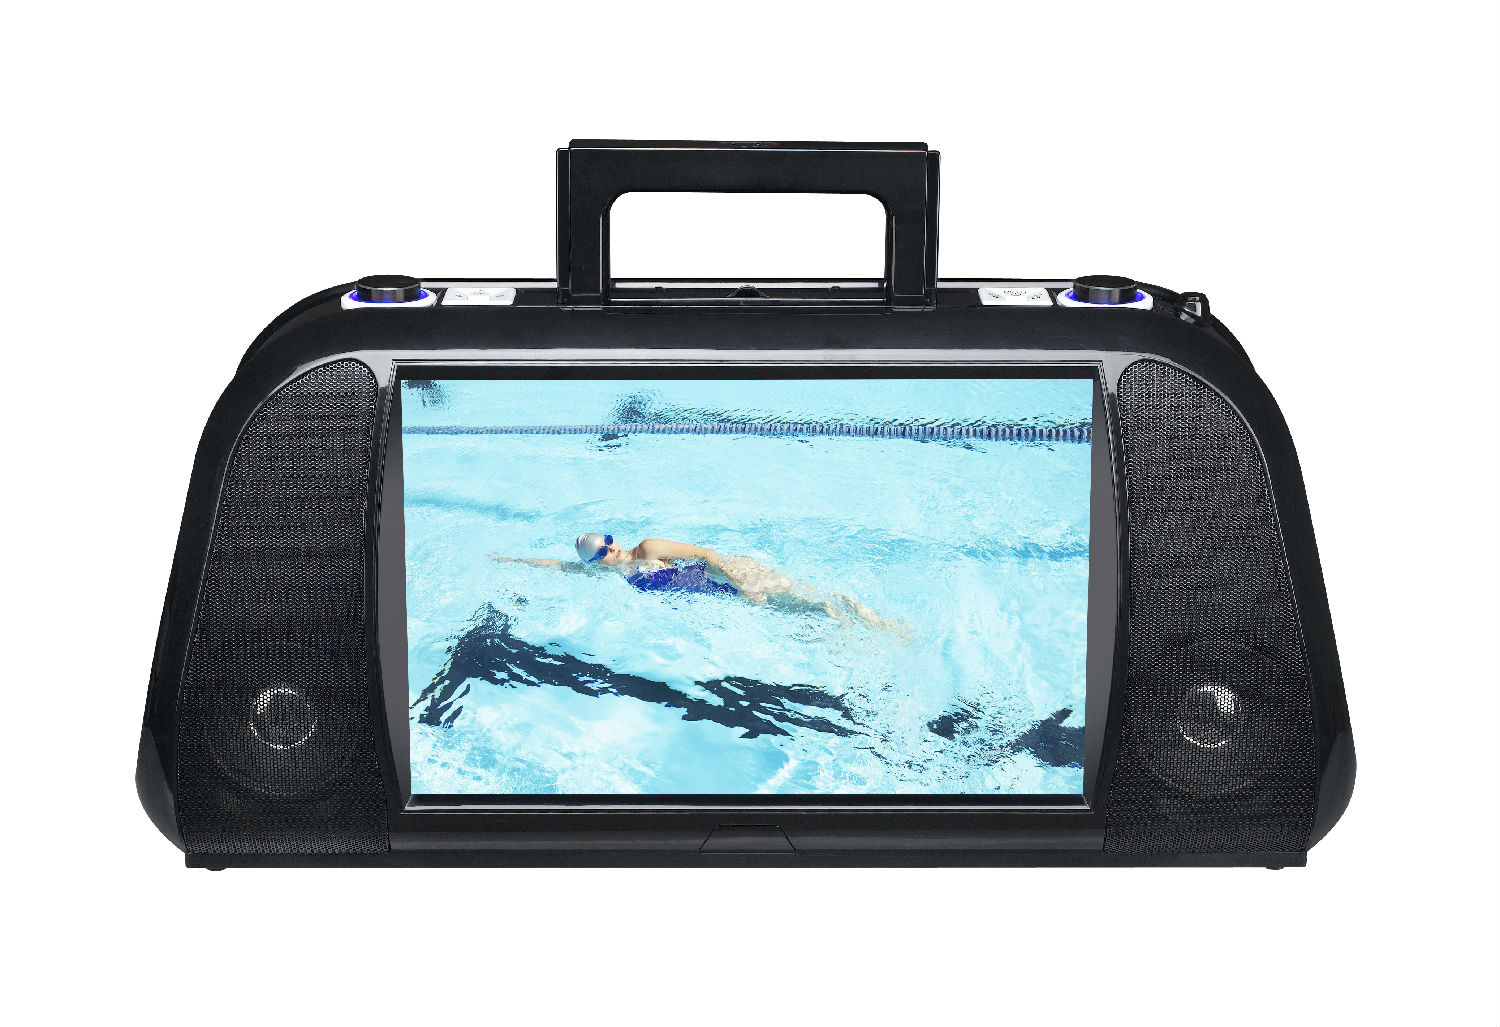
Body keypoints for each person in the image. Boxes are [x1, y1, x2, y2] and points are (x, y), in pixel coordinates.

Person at [493, 532, 906, 635]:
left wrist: (744, 585)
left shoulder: (647, 548)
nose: (611, 550)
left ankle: (885, 625)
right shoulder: (619, 574)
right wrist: (508, 560)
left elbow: (707, 554)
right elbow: (561, 566)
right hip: (725, 591)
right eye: (600, 552)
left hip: (734, 574)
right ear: (595, 563)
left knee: (810, 598)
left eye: (608, 540)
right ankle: (865, 628)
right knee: (806, 611)